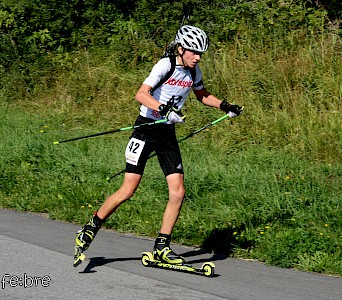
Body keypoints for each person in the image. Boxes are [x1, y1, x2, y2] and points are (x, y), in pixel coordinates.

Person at [75, 25, 242, 266]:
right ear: (181, 48)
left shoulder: (194, 71)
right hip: (146, 129)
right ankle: (90, 228)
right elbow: (141, 94)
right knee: (128, 190)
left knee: (178, 191)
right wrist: (163, 108)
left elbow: (202, 95)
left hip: (167, 133)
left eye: (201, 54)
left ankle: (161, 247)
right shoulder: (166, 65)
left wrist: (226, 106)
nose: (198, 57)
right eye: (194, 52)